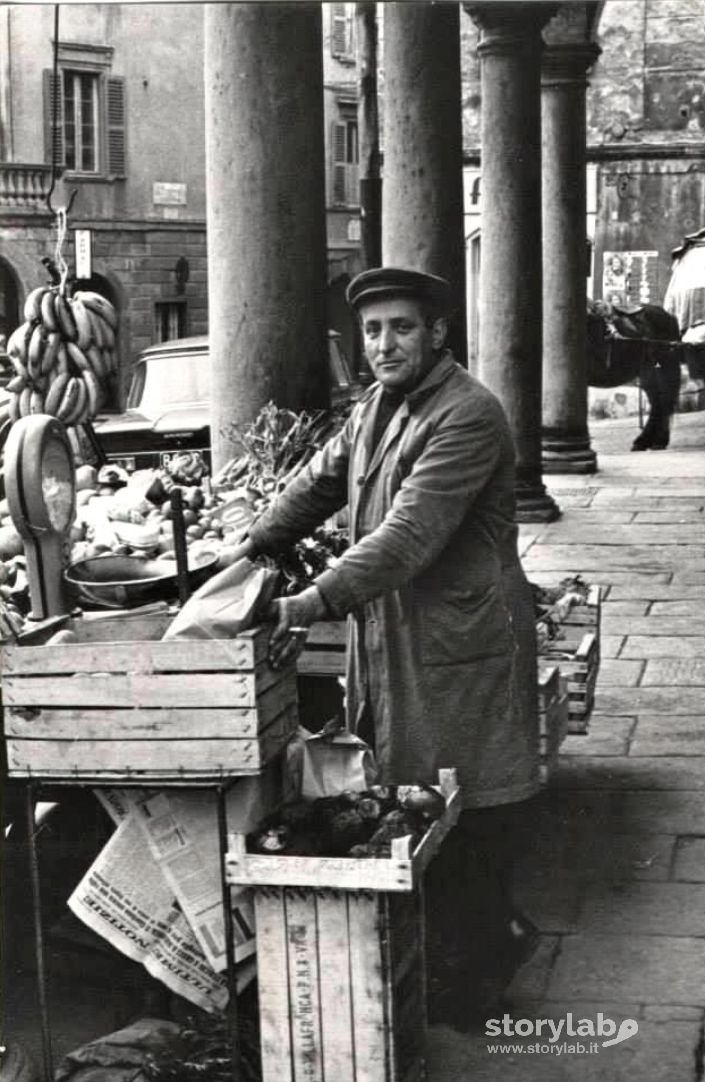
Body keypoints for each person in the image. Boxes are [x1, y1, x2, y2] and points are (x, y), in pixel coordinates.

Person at [233, 266, 541, 1028]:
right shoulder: (377, 404)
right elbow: (318, 480)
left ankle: (485, 969)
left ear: (438, 333)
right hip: (397, 629)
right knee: (412, 791)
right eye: (372, 331)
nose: (383, 344)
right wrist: (250, 546)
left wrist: (310, 599)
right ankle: (460, 950)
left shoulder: (466, 414)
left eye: (401, 327)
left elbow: (406, 537)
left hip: (457, 634)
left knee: (466, 801)